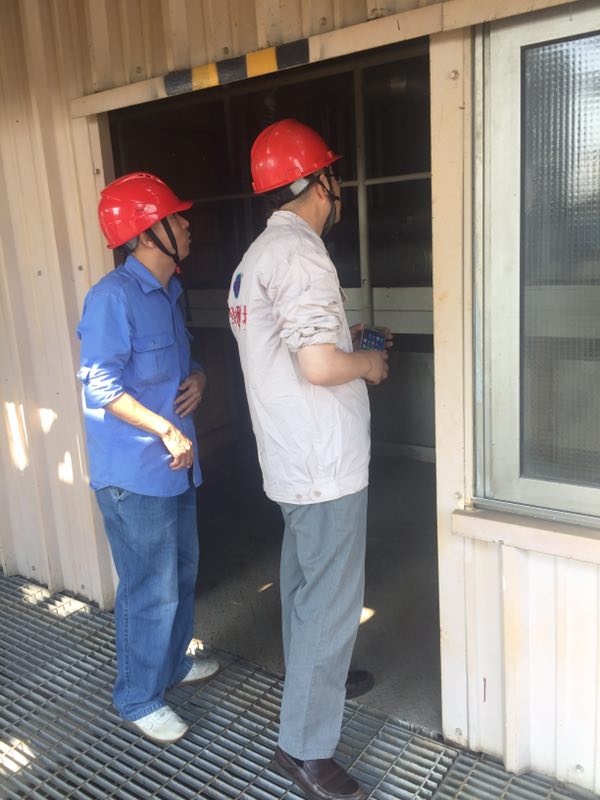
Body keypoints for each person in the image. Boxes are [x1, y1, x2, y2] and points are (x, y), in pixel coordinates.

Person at [228, 120, 389, 800]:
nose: (338, 184)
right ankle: (304, 748)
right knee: (329, 602)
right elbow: (320, 365)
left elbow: (295, 348)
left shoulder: (258, 255)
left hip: (292, 460)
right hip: (324, 465)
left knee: (304, 590)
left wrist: (347, 339)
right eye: (334, 173)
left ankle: (318, 683)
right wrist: (369, 365)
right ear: (321, 181)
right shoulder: (301, 254)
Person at [77, 172, 219, 745]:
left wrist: (199, 381)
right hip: (135, 476)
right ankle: (137, 698)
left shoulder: (169, 293)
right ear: (146, 233)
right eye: (174, 217)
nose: (185, 224)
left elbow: (182, 365)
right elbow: (100, 387)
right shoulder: (112, 298)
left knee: (181, 574)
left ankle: (172, 665)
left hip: (175, 468)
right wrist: (165, 429)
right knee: (147, 589)